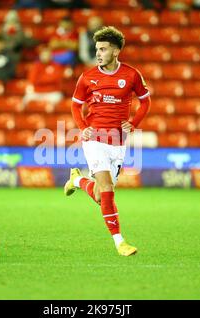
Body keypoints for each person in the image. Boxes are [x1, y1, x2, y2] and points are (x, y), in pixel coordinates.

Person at [64, 26, 151, 256]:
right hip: (95, 140)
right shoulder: (88, 77)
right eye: (97, 49)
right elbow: (75, 105)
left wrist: (134, 124)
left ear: (115, 51)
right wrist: (83, 128)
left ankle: (77, 180)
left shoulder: (131, 75)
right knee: (107, 188)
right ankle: (120, 242)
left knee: (101, 195)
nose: (98, 53)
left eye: (103, 49)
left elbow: (145, 102)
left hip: (118, 142)